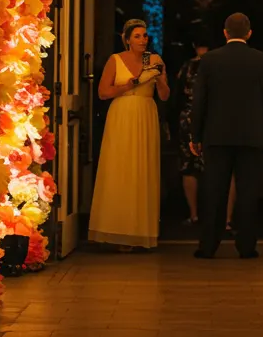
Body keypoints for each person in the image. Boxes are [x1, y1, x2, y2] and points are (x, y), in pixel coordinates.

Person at [190, 11, 263, 260]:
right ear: (249, 34)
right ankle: (247, 246)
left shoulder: (210, 60)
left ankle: (208, 245)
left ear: (224, 33)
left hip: (216, 135)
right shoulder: (262, 60)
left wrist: (196, 135)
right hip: (252, 135)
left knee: (214, 191)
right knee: (248, 193)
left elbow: (200, 101)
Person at [88, 18, 169, 250]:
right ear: (126, 39)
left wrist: (159, 79)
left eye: (145, 36)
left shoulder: (154, 60)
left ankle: (140, 232)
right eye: (137, 36)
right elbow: (103, 93)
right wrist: (130, 84)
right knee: (119, 167)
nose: (143, 40)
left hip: (145, 113)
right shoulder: (116, 60)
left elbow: (164, 95)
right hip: (122, 113)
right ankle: (116, 231)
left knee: (142, 168)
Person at [174, 30, 236, 230]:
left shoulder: (186, 68)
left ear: (194, 45)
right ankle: (225, 219)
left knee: (189, 167)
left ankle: (194, 214)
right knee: (224, 168)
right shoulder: (220, 65)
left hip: (189, 119)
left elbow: (177, 97)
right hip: (217, 119)